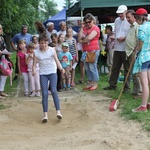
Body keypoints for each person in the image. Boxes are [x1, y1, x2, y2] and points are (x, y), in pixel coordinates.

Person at [32, 33, 65, 122]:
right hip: (43, 74)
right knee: (45, 93)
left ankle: (58, 112)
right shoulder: (36, 52)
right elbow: (34, 64)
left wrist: (61, 68)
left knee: (54, 90)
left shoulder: (51, 50)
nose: (43, 45)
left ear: (47, 43)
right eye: (41, 43)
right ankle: (45, 115)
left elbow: (57, 61)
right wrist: (34, 70)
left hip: (52, 72)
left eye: (45, 43)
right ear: (39, 43)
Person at [103, 5, 130, 91]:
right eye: (119, 13)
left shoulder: (129, 21)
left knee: (127, 68)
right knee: (115, 67)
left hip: (126, 48)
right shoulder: (117, 20)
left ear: (126, 12)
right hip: (117, 47)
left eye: (121, 13)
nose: (120, 15)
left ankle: (126, 87)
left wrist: (124, 38)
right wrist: (113, 36)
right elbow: (115, 31)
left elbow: (131, 33)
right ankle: (112, 84)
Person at [132, 8, 150, 112]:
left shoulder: (142, 27)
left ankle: (143, 106)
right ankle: (148, 103)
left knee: (144, 83)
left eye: (136, 18)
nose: (135, 20)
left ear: (140, 18)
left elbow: (142, 40)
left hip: (143, 57)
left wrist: (138, 49)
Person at [78, 13, 100, 91]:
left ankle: (95, 82)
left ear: (93, 21)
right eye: (86, 22)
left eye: (89, 22)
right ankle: (90, 81)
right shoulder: (85, 29)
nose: (88, 24)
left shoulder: (95, 28)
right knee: (87, 67)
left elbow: (89, 38)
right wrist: (82, 28)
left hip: (93, 49)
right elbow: (79, 37)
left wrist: (81, 41)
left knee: (92, 67)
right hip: (85, 51)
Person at [125, 9, 142, 97]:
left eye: (128, 17)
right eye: (126, 17)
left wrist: (137, 49)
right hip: (129, 52)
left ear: (134, 17)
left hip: (134, 52)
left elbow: (139, 39)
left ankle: (139, 92)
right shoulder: (131, 26)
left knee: (136, 73)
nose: (127, 19)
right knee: (133, 73)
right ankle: (135, 91)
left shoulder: (137, 26)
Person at [0, 24, 12, 98]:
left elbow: (4, 47)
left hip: (2, 59)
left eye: (0, 29)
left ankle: (1, 91)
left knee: (4, 74)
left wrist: (7, 53)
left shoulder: (2, 38)